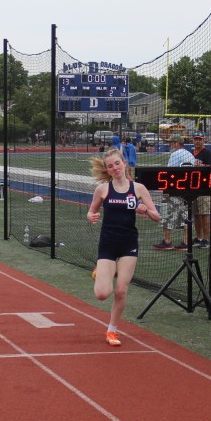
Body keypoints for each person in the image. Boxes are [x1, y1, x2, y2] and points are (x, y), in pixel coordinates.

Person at [87, 148, 160, 347]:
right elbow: (91, 211)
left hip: (129, 243)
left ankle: (112, 330)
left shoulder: (138, 189)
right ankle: (100, 271)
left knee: (120, 291)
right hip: (108, 243)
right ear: (107, 170)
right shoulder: (103, 190)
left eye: (117, 163)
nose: (115, 168)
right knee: (102, 294)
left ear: (124, 164)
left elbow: (157, 216)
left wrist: (146, 211)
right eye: (110, 166)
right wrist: (92, 216)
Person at [153, 135, 196, 250]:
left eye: (171, 142)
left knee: (167, 214)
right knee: (186, 217)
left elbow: (169, 172)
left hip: (175, 189)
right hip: (188, 190)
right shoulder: (190, 155)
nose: (169, 144)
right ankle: (186, 242)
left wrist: (166, 190)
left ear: (177, 143)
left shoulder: (175, 154)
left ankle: (167, 241)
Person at [190, 131, 211, 248]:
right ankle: (199, 237)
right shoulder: (191, 153)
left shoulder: (207, 153)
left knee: (204, 214)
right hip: (193, 187)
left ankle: (206, 239)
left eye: (200, 139)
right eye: (196, 139)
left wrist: (203, 166)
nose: (198, 141)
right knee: (196, 214)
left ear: (204, 140)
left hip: (204, 187)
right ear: (193, 140)